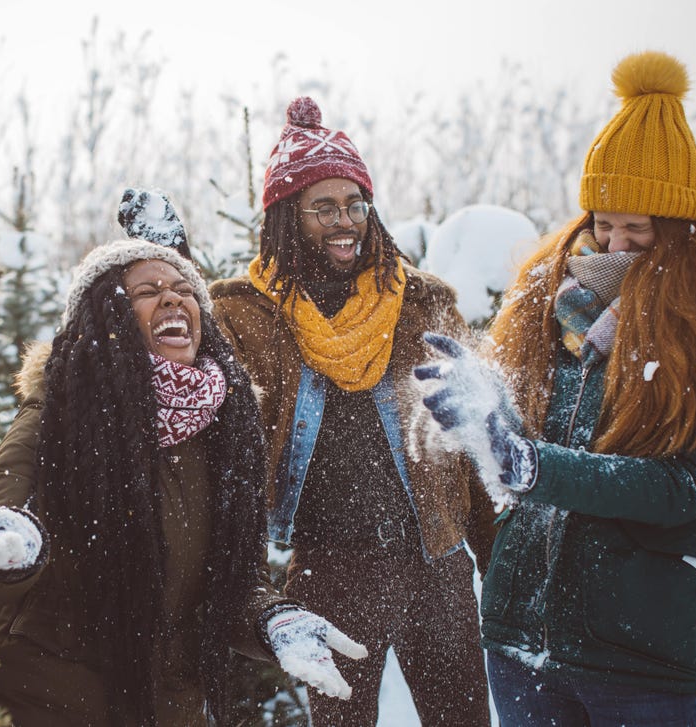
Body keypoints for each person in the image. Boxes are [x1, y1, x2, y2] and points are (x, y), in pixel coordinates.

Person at [415, 51, 696, 726]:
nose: (616, 242)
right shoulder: (550, 298)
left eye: (640, 228)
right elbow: (526, 438)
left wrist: (539, 467)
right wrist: (484, 407)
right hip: (520, 641)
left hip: (638, 658)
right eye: (605, 221)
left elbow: (684, 484)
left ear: (681, 225)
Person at [0, 237, 366, 726]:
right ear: (106, 318)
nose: (172, 298)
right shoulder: (57, 413)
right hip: (41, 697)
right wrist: (14, 551)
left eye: (183, 288)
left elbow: (232, 584)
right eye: (146, 291)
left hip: (165, 705)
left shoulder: (226, 427)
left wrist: (273, 619)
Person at [209, 96, 495, 726]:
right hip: (330, 566)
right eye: (324, 208)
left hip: (436, 563)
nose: (346, 221)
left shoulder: (422, 301)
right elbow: (218, 448)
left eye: (355, 204)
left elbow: (472, 435)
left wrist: (497, 556)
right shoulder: (245, 315)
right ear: (288, 217)